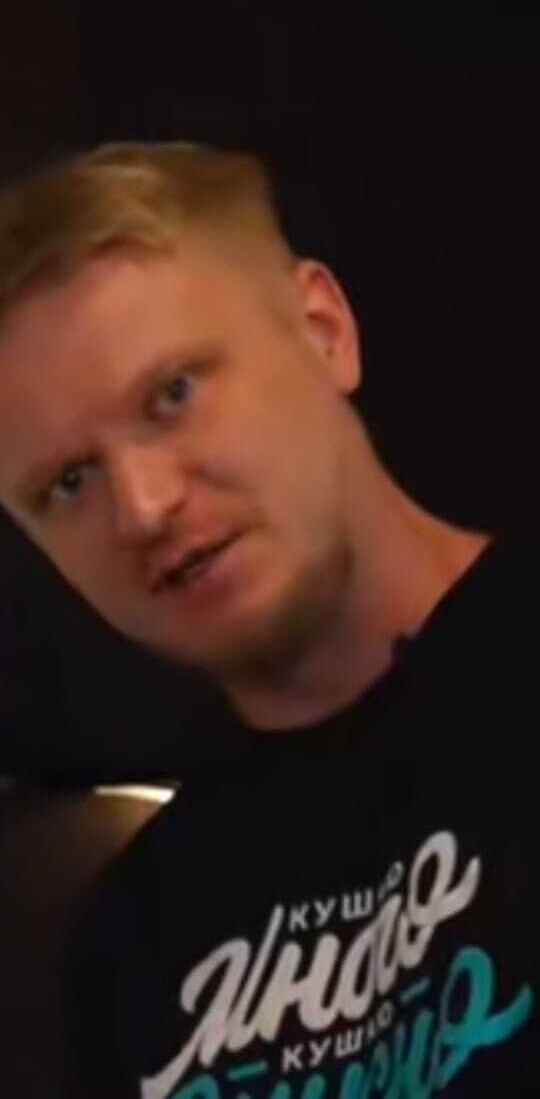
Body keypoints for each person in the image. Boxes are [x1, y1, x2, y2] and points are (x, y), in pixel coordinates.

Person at [0, 139, 536, 1096]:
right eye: (69, 482)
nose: (143, 507)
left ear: (323, 330)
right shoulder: (137, 936)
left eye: (173, 394)